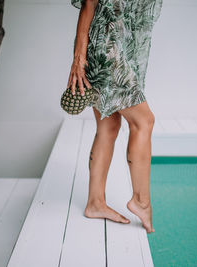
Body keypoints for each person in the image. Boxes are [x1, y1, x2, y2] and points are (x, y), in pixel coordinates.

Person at [67, 0, 162, 234]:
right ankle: (141, 202)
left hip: (120, 43)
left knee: (108, 126)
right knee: (143, 121)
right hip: (108, 46)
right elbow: (90, 2)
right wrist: (79, 58)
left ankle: (95, 203)